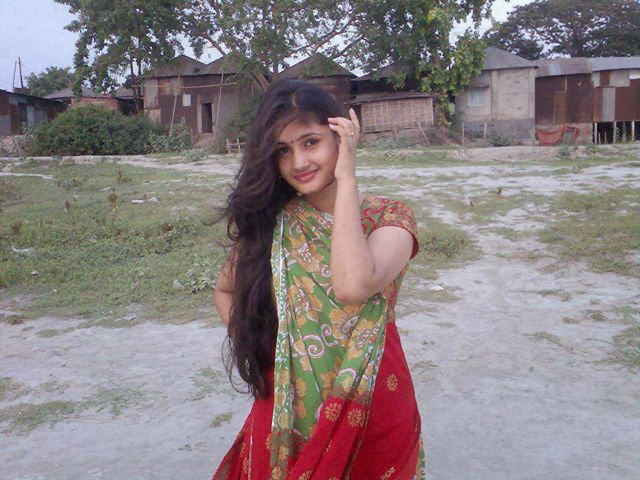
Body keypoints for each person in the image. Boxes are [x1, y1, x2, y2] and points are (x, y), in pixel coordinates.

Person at [212, 79, 425, 480]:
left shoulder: (389, 219)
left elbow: (352, 285)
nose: (298, 163)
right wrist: (268, 350)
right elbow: (225, 291)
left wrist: (347, 178)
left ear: (340, 137)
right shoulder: (275, 225)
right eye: (283, 150)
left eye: (310, 142)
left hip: (372, 408)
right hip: (286, 410)